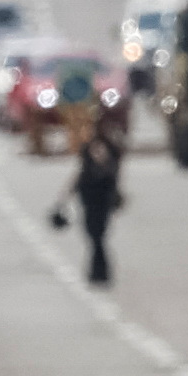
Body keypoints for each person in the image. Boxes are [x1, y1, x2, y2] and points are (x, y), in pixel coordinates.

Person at [56, 107, 127, 287]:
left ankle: (99, 272)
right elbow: (82, 173)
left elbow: (106, 172)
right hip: (91, 196)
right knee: (95, 236)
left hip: (100, 197)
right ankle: (99, 272)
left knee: (97, 236)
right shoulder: (94, 147)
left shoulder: (108, 147)